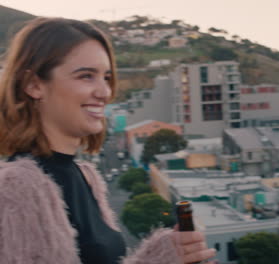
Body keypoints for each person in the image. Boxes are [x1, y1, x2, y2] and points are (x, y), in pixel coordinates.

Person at [0, 17, 216, 264]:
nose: (104, 92)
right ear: (34, 85)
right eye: (86, 76)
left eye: (106, 77)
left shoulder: (86, 177)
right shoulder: (14, 189)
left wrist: (168, 253)